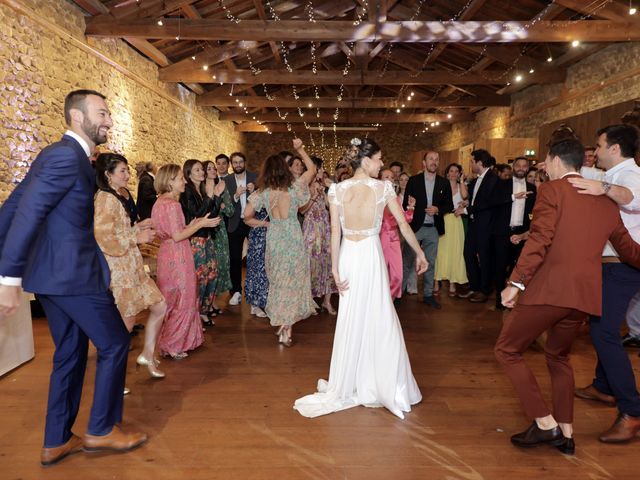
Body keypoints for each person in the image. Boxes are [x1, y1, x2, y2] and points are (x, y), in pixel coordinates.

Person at [0, 89, 146, 466]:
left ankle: (57, 439)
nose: (109, 120)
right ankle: (101, 429)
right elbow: (27, 213)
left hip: (53, 278)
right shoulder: (66, 157)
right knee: (115, 343)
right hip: (73, 276)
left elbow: (12, 206)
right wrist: (7, 277)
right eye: (102, 113)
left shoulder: (57, 155)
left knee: (69, 354)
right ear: (78, 118)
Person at [495, 138, 640, 456]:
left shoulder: (552, 191)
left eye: (546, 160)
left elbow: (540, 240)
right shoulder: (604, 199)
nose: (545, 166)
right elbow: (628, 248)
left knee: (507, 350)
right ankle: (567, 432)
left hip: (550, 289)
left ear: (557, 160)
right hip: (584, 295)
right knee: (558, 357)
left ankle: (545, 424)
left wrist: (515, 283)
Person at [293, 137, 428, 419]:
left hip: (348, 256)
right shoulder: (383, 188)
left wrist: (334, 268)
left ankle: (353, 380)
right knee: (379, 315)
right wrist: (419, 253)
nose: (381, 163)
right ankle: (381, 381)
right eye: (379, 159)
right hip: (369, 254)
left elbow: (334, 232)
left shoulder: (337, 190)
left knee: (352, 316)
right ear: (365, 161)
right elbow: (402, 222)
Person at [568, 124, 640, 442]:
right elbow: (593, 179)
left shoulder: (630, 177)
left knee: (604, 332)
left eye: (598, 146)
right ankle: (603, 386)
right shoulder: (613, 173)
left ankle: (632, 411)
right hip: (612, 266)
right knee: (600, 322)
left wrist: (606, 191)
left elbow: (629, 196)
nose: (594, 152)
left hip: (625, 267)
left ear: (614, 148)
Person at [94, 153, 166, 379]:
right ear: (108, 175)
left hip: (132, 266)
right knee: (124, 324)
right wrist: (136, 237)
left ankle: (146, 354)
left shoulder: (118, 195)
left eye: (127, 170)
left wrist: (138, 226)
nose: (128, 175)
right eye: (122, 171)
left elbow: (120, 229)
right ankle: (114, 379)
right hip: (119, 269)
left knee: (160, 306)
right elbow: (103, 237)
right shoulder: (105, 199)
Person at [244, 139, 317, 346]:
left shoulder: (263, 193)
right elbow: (311, 169)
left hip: (275, 237)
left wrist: (266, 225)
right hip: (293, 238)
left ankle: (283, 323)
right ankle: (287, 328)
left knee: (278, 282)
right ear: (284, 170)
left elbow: (246, 217)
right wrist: (300, 149)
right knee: (292, 282)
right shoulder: (294, 189)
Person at [152, 164, 218, 359]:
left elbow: (175, 230)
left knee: (171, 297)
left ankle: (172, 342)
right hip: (178, 255)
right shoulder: (172, 205)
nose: (184, 181)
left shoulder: (160, 202)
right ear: (170, 181)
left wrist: (196, 223)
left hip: (166, 253)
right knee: (183, 297)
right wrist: (202, 224)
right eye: (181, 178)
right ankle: (174, 344)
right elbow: (179, 235)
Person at [404, 151, 454, 309]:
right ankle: (399, 294)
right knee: (408, 261)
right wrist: (411, 205)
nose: (434, 162)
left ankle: (427, 295)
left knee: (430, 263)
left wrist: (438, 209)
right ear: (424, 163)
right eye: (431, 159)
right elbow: (406, 203)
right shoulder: (413, 181)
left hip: (433, 228)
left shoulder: (443, 183)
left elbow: (449, 205)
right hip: (415, 228)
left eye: (436, 159)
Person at [180, 159, 222, 327]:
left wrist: (216, 196)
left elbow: (212, 214)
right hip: (195, 238)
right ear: (188, 174)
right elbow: (196, 216)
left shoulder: (203, 189)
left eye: (201, 169)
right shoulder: (187, 192)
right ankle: (195, 314)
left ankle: (204, 310)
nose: (202, 172)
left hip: (208, 236)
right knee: (199, 277)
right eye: (197, 170)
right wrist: (211, 197)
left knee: (211, 274)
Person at [491, 157, 536, 310]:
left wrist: (527, 232)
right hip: (503, 231)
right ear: (513, 167)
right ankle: (499, 299)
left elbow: (533, 212)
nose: (521, 168)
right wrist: (513, 197)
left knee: (518, 266)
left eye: (524, 166)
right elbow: (493, 202)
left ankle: (512, 296)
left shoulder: (532, 188)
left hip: (522, 233)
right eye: (518, 165)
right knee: (500, 266)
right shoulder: (502, 184)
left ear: (528, 169)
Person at [456, 149, 500, 303]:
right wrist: (467, 203)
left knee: (485, 257)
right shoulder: (477, 179)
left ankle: (485, 289)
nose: (471, 164)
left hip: (486, 225)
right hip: (475, 223)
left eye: (472, 161)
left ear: (480, 163)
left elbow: (487, 202)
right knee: (468, 254)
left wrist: (466, 209)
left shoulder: (493, 178)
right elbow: (476, 199)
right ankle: (474, 286)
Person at [301, 156, 337, 314]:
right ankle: (308, 301)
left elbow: (330, 207)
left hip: (324, 228)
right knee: (310, 264)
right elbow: (302, 210)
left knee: (328, 263)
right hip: (311, 228)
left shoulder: (325, 185)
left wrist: (326, 193)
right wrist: (314, 196)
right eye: (319, 168)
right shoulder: (304, 186)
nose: (321, 171)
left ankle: (327, 302)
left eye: (321, 169)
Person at [224, 152, 257, 306]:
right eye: (235, 162)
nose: (238, 164)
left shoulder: (255, 177)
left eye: (240, 162)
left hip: (252, 222)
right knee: (235, 258)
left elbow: (263, 199)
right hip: (235, 223)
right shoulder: (227, 180)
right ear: (232, 164)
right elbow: (224, 204)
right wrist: (235, 196)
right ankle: (236, 290)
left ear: (245, 162)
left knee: (255, 257)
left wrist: (254, 191)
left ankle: (254, 290)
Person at [379, 168, 415, 302]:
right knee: (382, 274)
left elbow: (404, 219)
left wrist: (411, 208)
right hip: (381, 237)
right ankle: (382, 303)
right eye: (386, 177)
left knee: (397, 276)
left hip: (394, 239)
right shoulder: (377, 198)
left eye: (391, 177)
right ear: (380, 180)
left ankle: (389, 300)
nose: (390, 179)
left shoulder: (395, 199)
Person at [203, 160, 234, 312]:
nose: (213, 170)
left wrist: (223, 206)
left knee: (220, 264)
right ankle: (205, 302)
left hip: (219, 230)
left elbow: (230, 211)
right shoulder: (200, 188)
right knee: (207, 266)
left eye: (213, 168)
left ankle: (213, 300)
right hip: (203, 230)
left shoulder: (221, 186)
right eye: (209, 168)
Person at [434, 163, 468, 297]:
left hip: (456, 221)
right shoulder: (441, 185)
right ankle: (436, 281)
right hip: (443, 220)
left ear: (459, 173)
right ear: (447, 173)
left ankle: (453, 282)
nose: (453, 173)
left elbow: (465, 197)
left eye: (456, 171)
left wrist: (462, 181)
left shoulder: (461, 186)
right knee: (440, 251)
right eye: (451, 171)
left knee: (456, 251)